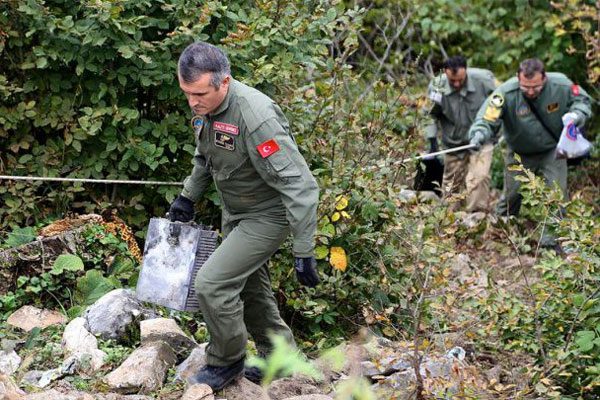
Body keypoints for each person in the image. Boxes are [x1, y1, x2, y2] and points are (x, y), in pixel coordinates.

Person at [168, 41, 320, 391]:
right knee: (251, 290)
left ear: (224, 82)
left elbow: (301, 186)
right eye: (186, 93)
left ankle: (226, 360)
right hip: (236, 212)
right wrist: (187, 196)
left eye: (200, 93)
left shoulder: (256, 116)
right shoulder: (205, 107)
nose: (193, 102)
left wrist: (304, 250)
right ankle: (279, 358)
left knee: (212, 283)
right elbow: (205, 155)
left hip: (268, 216)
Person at [469, 57, 592, 246]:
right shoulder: (506, 92)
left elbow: (582, 100)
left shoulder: (560, 84)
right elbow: (488, 117)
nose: (531, 92)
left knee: (556, 195)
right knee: (511, 196)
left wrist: (577, 115)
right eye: (526, 87)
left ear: (544, 78)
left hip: (552, 151)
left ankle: (550, 243)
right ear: (519, 79)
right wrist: (479, 133)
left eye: (535, 87)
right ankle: (501, 234)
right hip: (519, 154)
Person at [423, 55, 498, 212]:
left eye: (460, 80)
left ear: (466, 72)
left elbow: (501, 102)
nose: (456, 84)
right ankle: (450, 223)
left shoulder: (484, 81)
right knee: (452, 185)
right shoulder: (437, 86)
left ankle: (476, 219)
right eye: (452, 81)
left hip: (481, 140)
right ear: (445, 73)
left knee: (478, 178)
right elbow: (429, 114)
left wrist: (496, 129)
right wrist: (432, 141)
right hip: (453, 142)